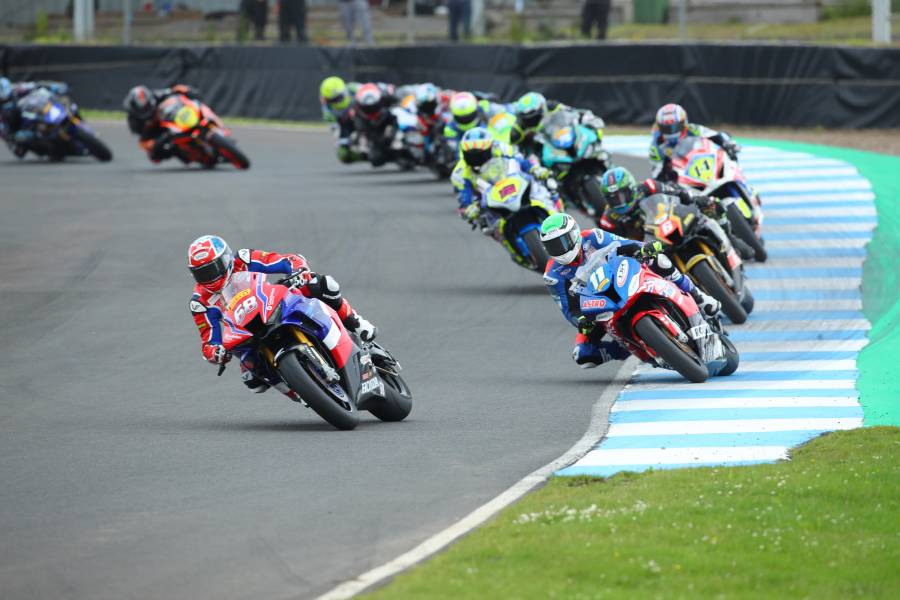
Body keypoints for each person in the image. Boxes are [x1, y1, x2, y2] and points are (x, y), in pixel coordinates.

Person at [188, 235, 377, 397]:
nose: (209, 277)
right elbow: (208, 342)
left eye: (212, 269)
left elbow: (285, 260)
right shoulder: (200, 302)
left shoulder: (243, 259)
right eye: (202, 273)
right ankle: (298, 390)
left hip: (270, 303)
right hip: (245, 331)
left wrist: (299, 270)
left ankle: (355, 321)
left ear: (226, 259)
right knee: (253, 381)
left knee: (321, 284)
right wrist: (216, 352)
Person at [539, 213, 721, 368]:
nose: (559, 250)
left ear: (574, 234)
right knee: (583, 356)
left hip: (621, 277)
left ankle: (699, 296)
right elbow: (567, 308)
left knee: (659, 260)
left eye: (562, 242)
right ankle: (631, 349)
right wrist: (581, 321)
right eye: (552, 246)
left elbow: (627, 244)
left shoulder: (594, 237)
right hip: (596, 304)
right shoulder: (553, 274)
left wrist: (645, 248)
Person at [649, 103, 740, 181]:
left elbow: (715, 135)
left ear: (683, 123)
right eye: (666, 128)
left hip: (700, 165)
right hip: (679, 178)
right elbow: (657, 174)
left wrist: (727, 143)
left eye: (675, 127)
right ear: (660, 127)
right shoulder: (656, 146)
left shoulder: (692, 129)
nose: (671, 131)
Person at [510, 91, 605, 160]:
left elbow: (573, 112)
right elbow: (513, 144)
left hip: (563, 138)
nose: (531, 120)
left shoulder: (552, 106)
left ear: (541, 109)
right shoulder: (519, 127)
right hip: (548, 154)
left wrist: (588, 120)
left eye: (534, 116)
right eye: (528, 118)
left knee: (596, 142)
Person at [123, 84, 203, 163]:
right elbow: (143, 141)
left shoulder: (156, 95)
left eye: (147, 107)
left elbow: (173, 90)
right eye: (142, 109)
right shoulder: (134, 120)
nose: (145, 110)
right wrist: (156, 141)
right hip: (158, 131)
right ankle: (179, 152)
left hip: (170, 117)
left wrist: (186, 90)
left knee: (192, 102)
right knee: (154, 156)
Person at [0, 77, 72, 157]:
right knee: (23, 139)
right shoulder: (3, 113)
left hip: (35, 110)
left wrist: (54, 86)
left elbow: (36, 84)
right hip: (23, 127)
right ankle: (48, 147)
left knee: (61, 101)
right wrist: (11, 135)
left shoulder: (17, 89)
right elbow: (5, 132)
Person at [319, 76, 367, 164]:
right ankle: (367, 156)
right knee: (343, 154)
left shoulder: (353, 87)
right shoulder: (328, 112)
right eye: (332, 100)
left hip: (367, 114)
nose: (336, 101)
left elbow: (371, 91)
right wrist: (347, 141)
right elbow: (336, 131)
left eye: (338, 98)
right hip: (350, 127)